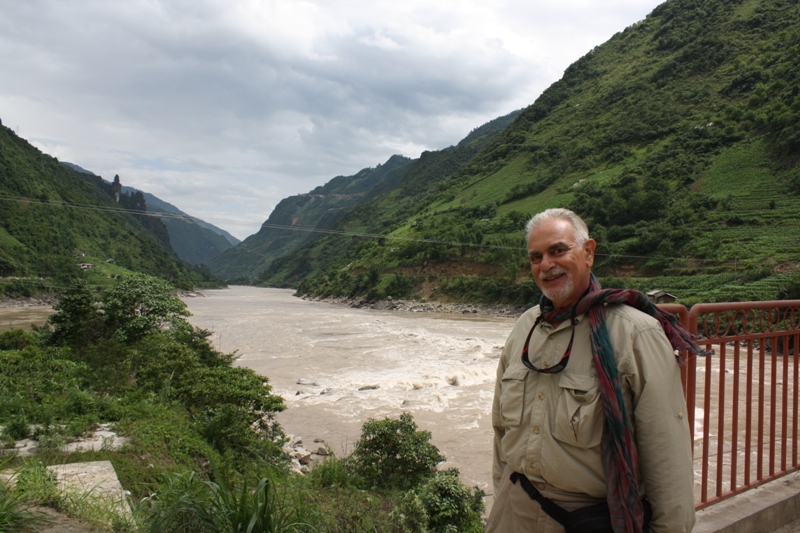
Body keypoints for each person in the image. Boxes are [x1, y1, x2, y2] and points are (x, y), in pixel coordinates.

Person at [487, 208, 699, 533]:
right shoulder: (524, 328)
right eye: (536, 257)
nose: (546, 265)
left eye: (558, 250)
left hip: (587, 520)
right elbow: (501, 430)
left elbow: (667, 457)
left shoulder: (635, 334)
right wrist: (503, 495)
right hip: (512, 512)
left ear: (588, 253)